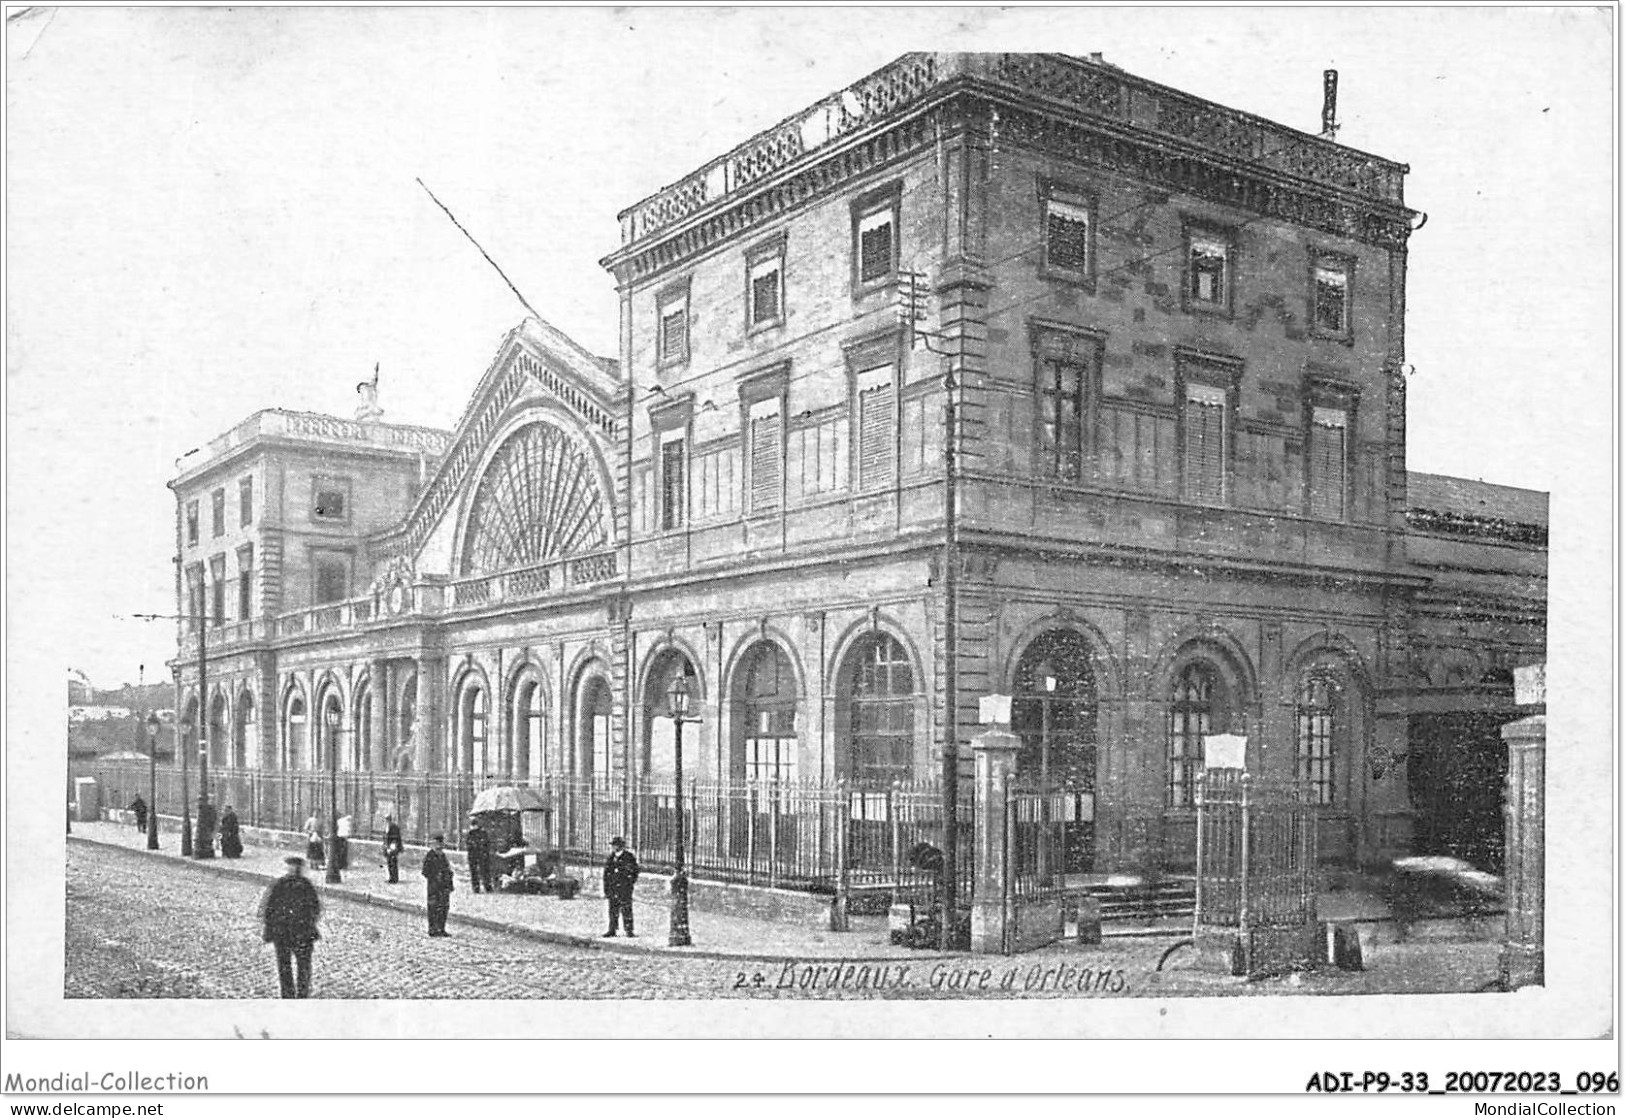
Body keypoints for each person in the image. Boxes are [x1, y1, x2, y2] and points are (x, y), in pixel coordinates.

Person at [258, 855, 321, 998]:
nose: (293, 870)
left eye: (295, 867)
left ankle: (302, 993)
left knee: (303, 966)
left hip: (302, 932)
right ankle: (287, 994)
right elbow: (269, 908)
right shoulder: (280, 885)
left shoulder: (306, 886)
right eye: (290, 867)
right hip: (283, 933)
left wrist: (309, 922)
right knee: (284, 965)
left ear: (299, 869)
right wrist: (269, 929)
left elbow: (315, 908)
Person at [602, 836, 640, 937]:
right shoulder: (611, 858)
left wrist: (629, 883)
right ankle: (612, 929)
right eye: (613, 846)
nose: (614, 848)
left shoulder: (629, 857)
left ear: (621, 846)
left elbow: (634, 871)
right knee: (613, 910)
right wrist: (606, 888)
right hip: (613, 888)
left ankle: (629, 930)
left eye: (616, 845)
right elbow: (606, 874)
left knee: (626, 909)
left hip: (624, 888)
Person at [422, 833, 454, 937]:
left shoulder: (443, 856)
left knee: (443, 908)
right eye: (437, 844)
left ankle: (441, 928)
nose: (439, 847)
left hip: (444, 887)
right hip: (434, 887)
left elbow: (448, 870)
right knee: (433, 907)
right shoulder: (430, 856)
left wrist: (449, 882)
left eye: (441, 844)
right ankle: (432, 928)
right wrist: (435, 876)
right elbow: (425, 872)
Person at [465, 818, 492, 894]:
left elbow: (468, 844)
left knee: (476, 872)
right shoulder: (482, 833)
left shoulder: (470, 834)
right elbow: (487, 844)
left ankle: (477, 888)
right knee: (484, 871)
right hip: (481, 855)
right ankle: (487, 887)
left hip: (475, 855)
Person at [382, 815, 403, 884]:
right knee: (389, 863)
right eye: (385, 819)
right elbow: (385, 838)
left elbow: (396, 839)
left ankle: (394, 878)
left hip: (393, 848)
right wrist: (385, 847)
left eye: (387, 819)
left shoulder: (394, 827)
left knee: (393, 862)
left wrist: (391, 848)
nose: (386, 821)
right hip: (388, 848)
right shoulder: (386, 827)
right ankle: (391, 877)